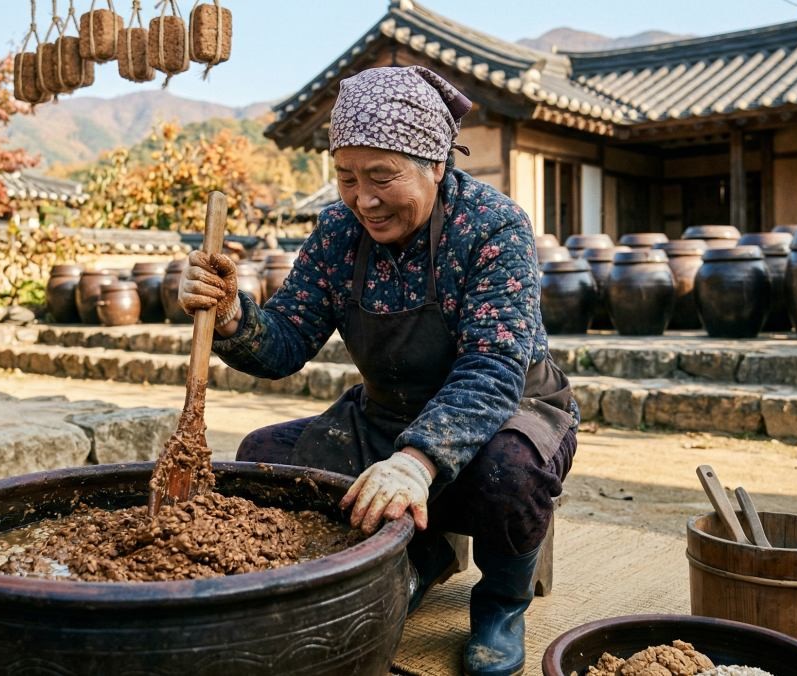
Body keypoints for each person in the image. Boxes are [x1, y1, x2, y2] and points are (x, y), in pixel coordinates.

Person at [177, 65, 577, 676]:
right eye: (347, 177)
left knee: (509, 472)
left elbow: (493, 368)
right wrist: (232, 314)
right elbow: (284, 344)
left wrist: (416, 462)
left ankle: (502, 601)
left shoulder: (493, 226)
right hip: (387, 416)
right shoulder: (338, 231)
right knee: (266, 459)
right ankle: (424, 553)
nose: (363, 199)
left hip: (508, 412)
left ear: (435, 164)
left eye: (382, 177)